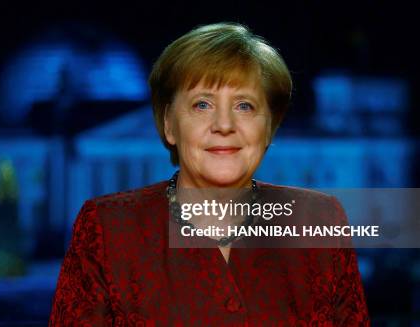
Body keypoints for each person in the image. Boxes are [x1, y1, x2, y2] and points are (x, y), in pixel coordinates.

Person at [49, 22, 369, 325]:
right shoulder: (104, 228)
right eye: (202, 105)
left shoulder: (320, 221)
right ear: (169, 125)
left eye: (244, 105)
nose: (224, 125)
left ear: (269, 127)